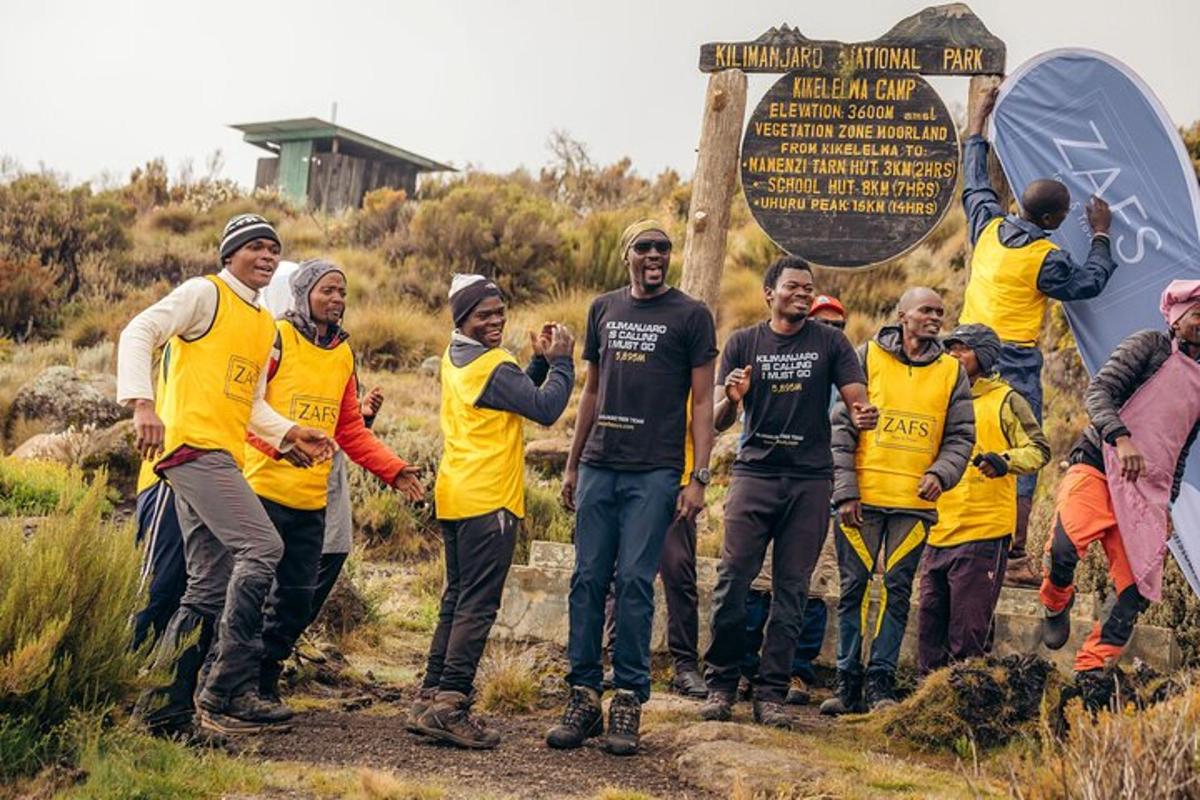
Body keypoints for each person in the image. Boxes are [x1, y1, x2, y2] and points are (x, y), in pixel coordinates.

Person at [119, 213, 334, 736]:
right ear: (229, 253)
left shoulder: (263, 322)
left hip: (222, 456)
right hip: (193, 449)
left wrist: (290, 434)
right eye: (255, 247)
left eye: (273, 249)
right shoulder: (205, 293)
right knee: (263, 548)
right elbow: (139, 330)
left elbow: (253, 401)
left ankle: (165, 712)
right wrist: (142, 403)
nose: (266, 256)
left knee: (207, 589)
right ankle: (231, 686)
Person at [547, 220, 716, 757]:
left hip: (656, 470)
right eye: (644, 247)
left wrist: (698, 477)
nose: (655, 255)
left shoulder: (691, 315)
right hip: (600, 463)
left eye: (663, 248)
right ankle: (582, 696)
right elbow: (591, 390)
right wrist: (572, 465)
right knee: (587, 580)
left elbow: (704, 404)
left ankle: (628, 700)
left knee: (637, 583)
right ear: (627, 255)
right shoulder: (603, 308)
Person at [699, 257, 874, 729]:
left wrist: (861, 415)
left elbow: (857, 398)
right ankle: (720, 683)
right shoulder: (743, 343)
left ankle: (772, 693)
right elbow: (718, 421)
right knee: (733, 581)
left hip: (810, 480)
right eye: (793, 286)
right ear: (769, 293)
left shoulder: (831, 343)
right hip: (754, 476)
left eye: (808, 288)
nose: (803, 293)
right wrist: (732, 399)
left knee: (793, 590)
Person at [245, 260, 424, 710]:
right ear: (304, 292)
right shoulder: (275, 338)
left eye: (342, 292)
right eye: (327, 290)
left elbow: (350, 430)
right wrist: (282, 447)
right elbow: (244, 411)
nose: (337, 300)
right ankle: (236, 684)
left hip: (311, 500)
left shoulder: (342, 353)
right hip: (262, 490)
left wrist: (393, 470)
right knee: (248, 593)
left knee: (298, 598)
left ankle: (266, 676)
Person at [411, 274, 575, 749]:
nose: (496, 321)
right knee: (478, 605)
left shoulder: (457, 356)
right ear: (462, 318)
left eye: (500, 312)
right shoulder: (492, 364)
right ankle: (450, 705)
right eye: (484, 314)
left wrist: (538, 363)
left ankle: (429, 696)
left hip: (457, 494)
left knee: (457, 598)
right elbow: (544, 409)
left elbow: (514, 394)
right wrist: (562, 363)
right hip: (490, 500)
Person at [961, 86, 1116, 584]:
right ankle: (1016, 557)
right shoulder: (1046, 258)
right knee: (1024, 447)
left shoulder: (986, 225)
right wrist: (1099, 234)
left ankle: (955, 532)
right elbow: (1089, 283)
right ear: (1051, 221)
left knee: (961, 439)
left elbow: (975, 182)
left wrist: (978, 124)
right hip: (1011, 361)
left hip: (962, 352)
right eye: (1063, 216)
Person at [1039, 280, 1200, 709]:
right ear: (1177, 317)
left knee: (1135, 591)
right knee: (1065, 544)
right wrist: (1120, 437)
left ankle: (1092, 668)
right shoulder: (1147, 346)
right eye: (1198, 315)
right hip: (1099, 461)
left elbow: (1179, 444)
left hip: (1148, 488)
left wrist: (1166, 503)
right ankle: (1056, 598)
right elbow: (1098, 393)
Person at [821, 287, 974, 715]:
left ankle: (880, 685)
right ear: (902, 314)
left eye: (940, 313)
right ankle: (846, 683)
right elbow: (841, 428)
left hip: (913, 505)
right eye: (926, 310)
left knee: (895, 591)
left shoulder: (951, 372)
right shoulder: (866, 357)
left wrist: (940, 474)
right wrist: (846, 490)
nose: (935, 318)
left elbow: (961, 436)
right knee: (853, 589)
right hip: (862, 501)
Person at [916, 323, 1050, 674]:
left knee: (968, 635)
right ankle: (923, 709)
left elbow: (1038, 450)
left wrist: (1004, 462)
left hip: (983, 533)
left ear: (985, 356)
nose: (953, 355)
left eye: (963, 349)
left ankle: (966, 706)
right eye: (951, 348)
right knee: (929, 632)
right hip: (936, 530)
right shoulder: (936, 396)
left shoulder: (1007, 399)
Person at [738, 294, 849, 705]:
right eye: (824, 324)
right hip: (765, 482)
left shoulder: (845, 373)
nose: (830, 333)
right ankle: (746, 669)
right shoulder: (771, 360)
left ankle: (796, 673)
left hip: (820, 489)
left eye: (839, 327)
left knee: (812, 586)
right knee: (756, 581)